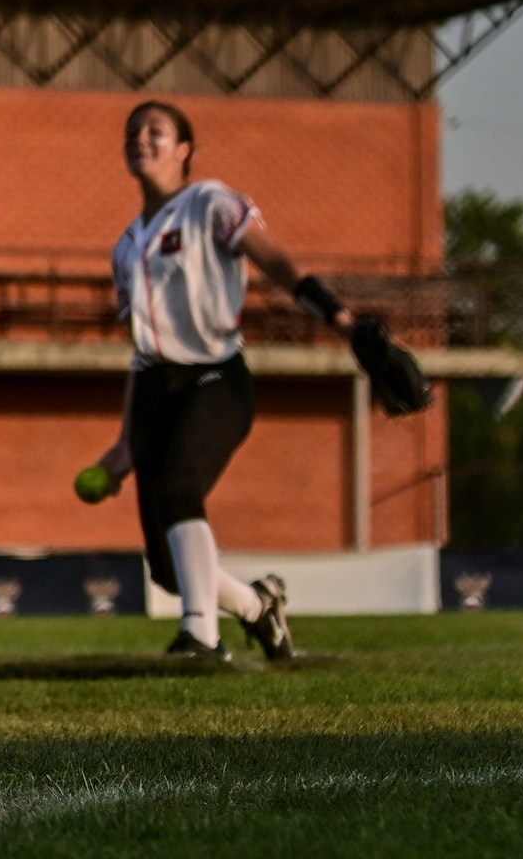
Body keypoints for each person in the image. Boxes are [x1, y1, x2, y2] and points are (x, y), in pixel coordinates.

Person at [81, 99, 403, 662]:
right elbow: (141, 353)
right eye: (133, 131)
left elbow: (278, 262)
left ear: (185, 150)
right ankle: (259, 608)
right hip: (156, 390)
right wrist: (124, 443)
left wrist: (343, 320)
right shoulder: (126, 247)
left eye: (156, 130)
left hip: (215, 378)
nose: (141, 137)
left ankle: (202, 638)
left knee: (181, 489)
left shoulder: (210, 202)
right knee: (167, 567)